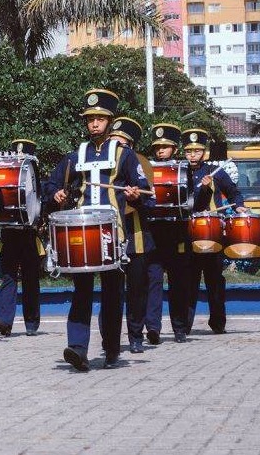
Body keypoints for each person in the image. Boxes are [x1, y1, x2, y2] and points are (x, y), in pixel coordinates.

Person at [43, 89, 152, 371]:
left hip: (113, 233)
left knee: (112, 293)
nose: (94, 124)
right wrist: (56, 194)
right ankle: (78, 348)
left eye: (100, 119)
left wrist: (133, 193)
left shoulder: (126, 156)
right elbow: (52, 185)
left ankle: (112, 349)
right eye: (90, 119)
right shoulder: (75, 155)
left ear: (110, 121)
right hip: (83, 230)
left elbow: (145, 190)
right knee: (81, 290)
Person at [183, 128, 248, 335]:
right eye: (188, 151)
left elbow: (234, 192)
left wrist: (238, 206)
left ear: (204, 152)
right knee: (189, 280)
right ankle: (184, 325)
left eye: (197, 151)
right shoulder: (180, 172)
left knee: (215, 280)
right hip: (188, 233)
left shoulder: (215, 171)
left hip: (212, 232)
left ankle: (218, 323)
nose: (192, 155)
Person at [107, 117, 157, 354]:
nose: (116, 146)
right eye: (112, 141)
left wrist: (137, 197)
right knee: (111, 291)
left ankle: (136, 335)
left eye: (121, 143)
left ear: (130, 146)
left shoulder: (138, 164)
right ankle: (111, 341)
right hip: (109, 236)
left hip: (135, 236)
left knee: (137, 290)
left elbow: (151, 200)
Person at [0, 139, 44, 337]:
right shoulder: (5, 181)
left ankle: (31, 322)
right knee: (8, 277)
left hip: (30, 235)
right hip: (10, 234)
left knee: (31, 278)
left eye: (23, 158)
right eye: (17, 157)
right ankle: (4, 322)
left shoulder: (38, 180)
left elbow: (42, 203)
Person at [146, 123, 190, 343]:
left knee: (178, 280)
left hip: (176, 230)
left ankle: (179, 327)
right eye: (157, 147)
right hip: (154, 230)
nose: (160, 150)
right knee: (153, 279)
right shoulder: (146, 168)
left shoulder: (183, 168)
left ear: (174, 148)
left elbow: (189, 201)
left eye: (165, 146)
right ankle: (152, 328)